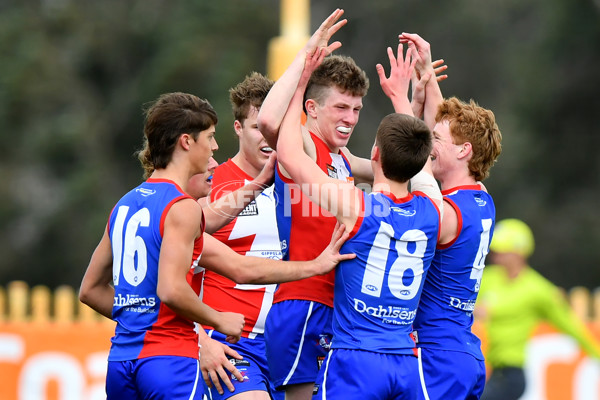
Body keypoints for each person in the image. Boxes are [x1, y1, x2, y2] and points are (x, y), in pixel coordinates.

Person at [78, 92, 355, 400]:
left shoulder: (125, 204)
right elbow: (172, 289)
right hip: (169, 361)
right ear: (186, 141)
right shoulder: (182, 207)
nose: (214, 147)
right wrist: (217, 319)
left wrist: (139, 322)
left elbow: (90, 290)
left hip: (121, 362)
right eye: (209, 137)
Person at [276, 43, 442, 399]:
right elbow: (418, 160)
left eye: (356, 109)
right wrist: (407, 101)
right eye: (341, 107)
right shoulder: (432, 210)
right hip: (328, 314)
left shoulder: (353, 192)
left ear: (376, 154)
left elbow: (405, 158)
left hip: (348, 335)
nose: (351, 118)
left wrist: (302, 76)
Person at [396, 33, 504, 400]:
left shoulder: (444, 212)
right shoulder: (481, 198)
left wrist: (402, 102)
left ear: (464, 151)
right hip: (464, 352)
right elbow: (443, 130)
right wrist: (427, 70)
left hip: (436, 353)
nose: (430, 147)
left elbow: (417, 155)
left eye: (436, 143)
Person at [199, 72, 285, 400]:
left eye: (273, 128)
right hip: (232, 345)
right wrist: (202, 342)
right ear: (237, 128)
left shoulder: (301, 183)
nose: (267, 137)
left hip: (289, 344)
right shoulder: (210, 184)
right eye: (256, 127)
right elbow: (171, 276)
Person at [477, 218, 600, 400]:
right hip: (492, 371)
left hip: (512, 376)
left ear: (519, 253)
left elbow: (572, 326)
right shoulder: (488, 278)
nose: (496, 256)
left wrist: (597, 353)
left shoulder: (539, 290)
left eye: (503, 251)